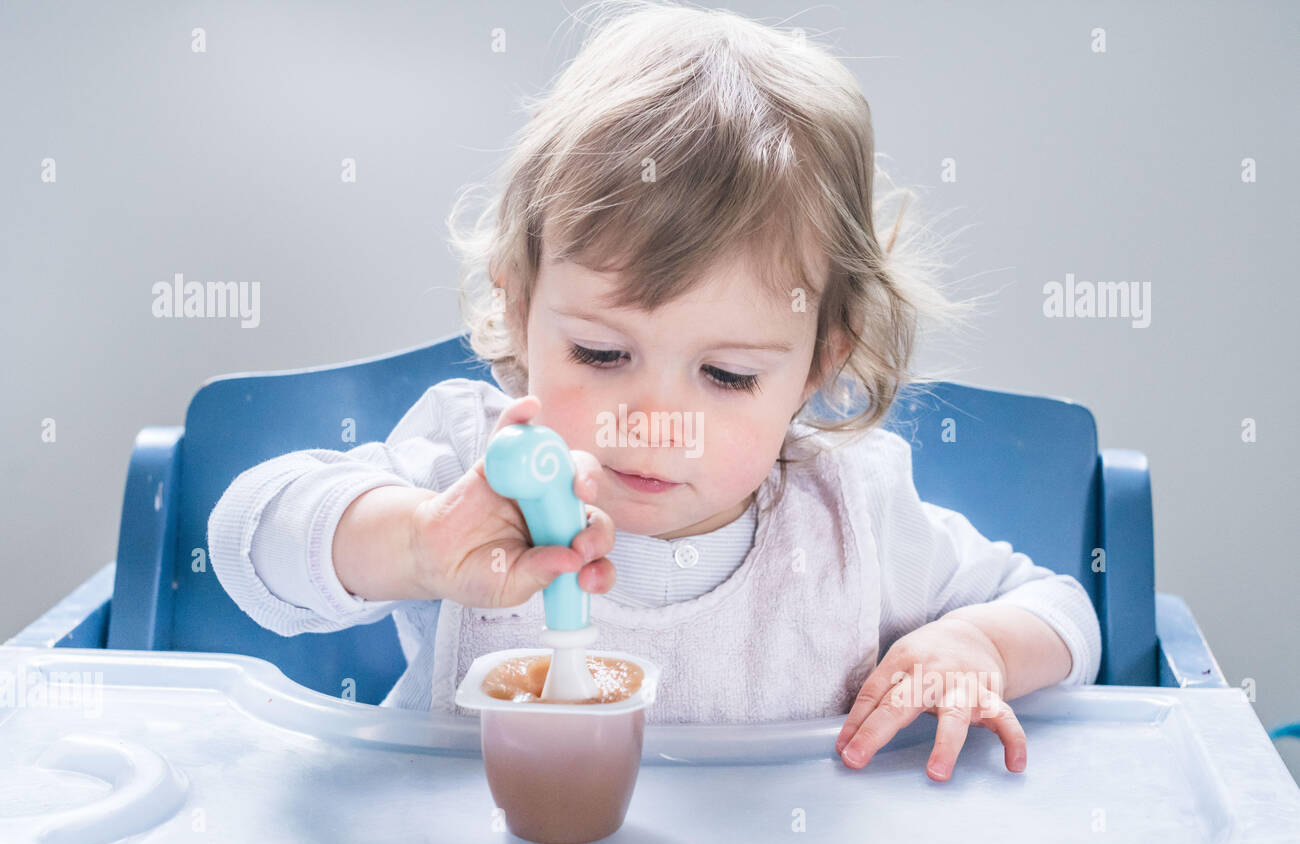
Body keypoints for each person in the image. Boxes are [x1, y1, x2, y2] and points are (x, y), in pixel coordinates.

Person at [208, 1, 1100, 781]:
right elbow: (247, 539)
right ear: (519, 309)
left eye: (727, 374)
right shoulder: (479, 474)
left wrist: (975, 645)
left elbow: (1066, 612)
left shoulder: (852, 518)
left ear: (822, 360)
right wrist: (407, 542)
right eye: (601, 353)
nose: (656, 422)